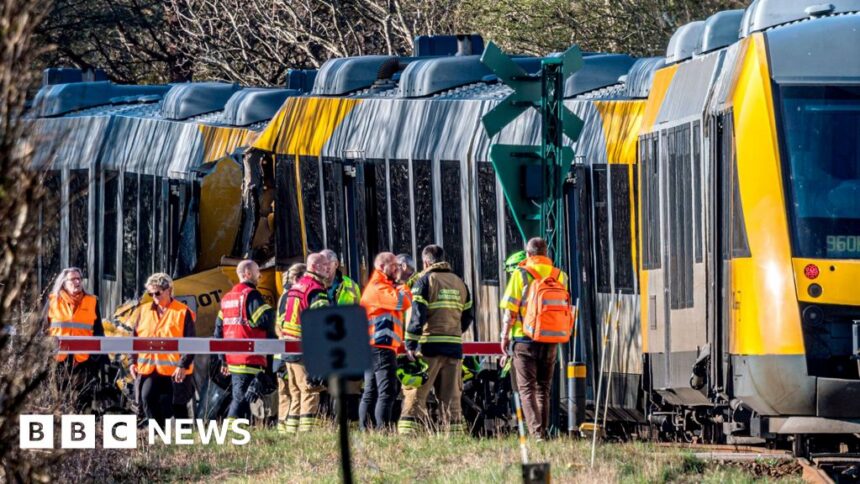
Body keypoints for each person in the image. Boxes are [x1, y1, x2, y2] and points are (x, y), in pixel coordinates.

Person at [398, 245, 473, 434]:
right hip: (454, 347)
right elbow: (468, 315)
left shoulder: (424, 281)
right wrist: (454, 331)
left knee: (416, 392)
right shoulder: (460, 283)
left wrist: (410, 344)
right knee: (451, 396)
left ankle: (409, 434)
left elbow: (417, 316)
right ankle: (454, 435)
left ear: (425, 262)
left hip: (428, 346)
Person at [499, 237, 569, 440]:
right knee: (543, 388)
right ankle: (543, 431)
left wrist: (504, 337)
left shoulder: (521, 274)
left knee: (526, 388)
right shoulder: (559, 275)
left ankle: (536, 433)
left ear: (528, 254)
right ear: (546, 253)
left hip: (524, 339)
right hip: (551, 339)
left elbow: (510, 309)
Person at [214, 260, 277, 421]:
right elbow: (264, 319)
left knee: (244, 401)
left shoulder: (227, 298)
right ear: (248, 274)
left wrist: (223, 360)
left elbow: (218, 332)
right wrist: (275, 311)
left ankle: (239, 435)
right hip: (249, 358)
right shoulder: (251, 294)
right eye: (257, 272)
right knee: (241, 402)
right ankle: (231, 434)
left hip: (233, 359)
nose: (260, 275)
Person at [130, 273, 196, 425]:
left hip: (176, 370)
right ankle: (159, 435)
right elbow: (133, 339)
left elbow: (191, 342)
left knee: (178, 406)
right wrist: (132, 362)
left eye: (157, 292)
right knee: (146, 398)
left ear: (169, 290)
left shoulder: (182, 312)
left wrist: (182, 365)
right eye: (150, 293)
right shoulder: (142, 311)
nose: (154, 296)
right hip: (149, 369)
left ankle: (185, 442)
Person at [359, 252, 411, 431]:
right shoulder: (378, 287)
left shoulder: (381, 286)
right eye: (393, 265)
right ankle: (382, 431)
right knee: (386, 393)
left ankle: (366, 429)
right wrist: (403, 285)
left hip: (373, 347)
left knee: (371, 392)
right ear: (382, 266)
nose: (397, 268)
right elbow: (402, 303)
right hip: (380, 347)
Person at [281, 253, 332, 432]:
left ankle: (291, 433)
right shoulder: (316, 289)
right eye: (325, 265)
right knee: (310, 391)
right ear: (315, 267)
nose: (329, 268)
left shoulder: (297, 286)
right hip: (305, 348)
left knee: (295, 393)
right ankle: (307, 434)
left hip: (288, 346)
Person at [45, 267, 105, 412]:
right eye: (73, 279)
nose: (77, 282)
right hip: (58, 359)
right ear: (64, 283)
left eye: (79, 279)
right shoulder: (52, 301)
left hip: (83, 360)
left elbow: (98, 332)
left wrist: (95, 358)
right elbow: (43, 330)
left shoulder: (92, 301)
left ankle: (82, 430)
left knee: (82, 400)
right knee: (58, 400)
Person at [275, 262, 306, 433]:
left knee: (286, 393)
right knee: (297, 393)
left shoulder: (283, 296)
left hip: (282, 354)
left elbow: (278, 326)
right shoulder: (295, 296)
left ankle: (283, 430)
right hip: (292, 352)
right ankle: (292, 429)